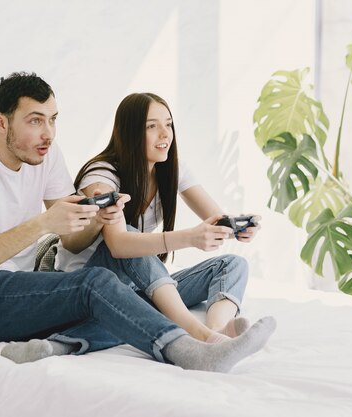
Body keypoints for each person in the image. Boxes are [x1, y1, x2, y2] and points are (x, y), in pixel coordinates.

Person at [0, 72, 276, 372]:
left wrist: (97, 217)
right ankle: (190, 350)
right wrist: (44, 224)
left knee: (120, 296)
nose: (49, 133)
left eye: (53, 119)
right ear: (1, 122)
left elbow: (73, 240)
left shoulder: (47, 155)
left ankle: (64, 345)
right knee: (97, 284)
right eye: (35, 121)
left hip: (21, 284)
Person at [55, 92, 262, 344]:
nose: (165, 134)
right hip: (91, 285)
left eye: (168, 124)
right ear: (130, 133)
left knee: (232, 264)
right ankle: (200, 336)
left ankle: (218, 330)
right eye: (152, 126)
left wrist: (237, 226)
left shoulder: (170, 168)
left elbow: (216, 218)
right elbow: (119, 245)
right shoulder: (102, 176)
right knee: (132, 236)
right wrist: (190, 238)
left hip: (136, 286)